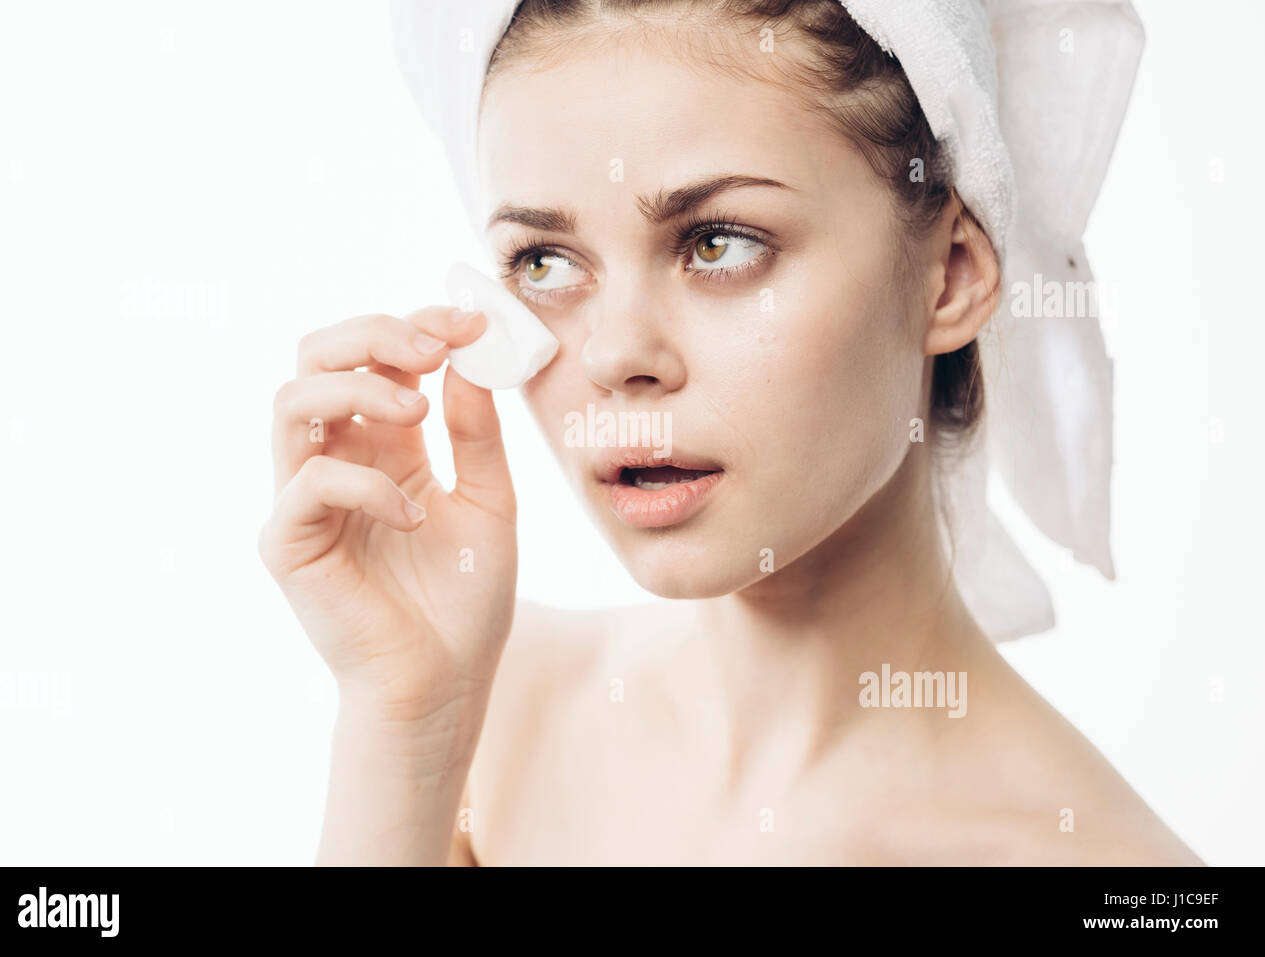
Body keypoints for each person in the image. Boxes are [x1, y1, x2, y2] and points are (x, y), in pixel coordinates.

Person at [259, 0, 1202, 865]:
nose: (614, 354)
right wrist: (406, 730)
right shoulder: (490, 724)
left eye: (718, 243)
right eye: (544, 261)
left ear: (950, 271)